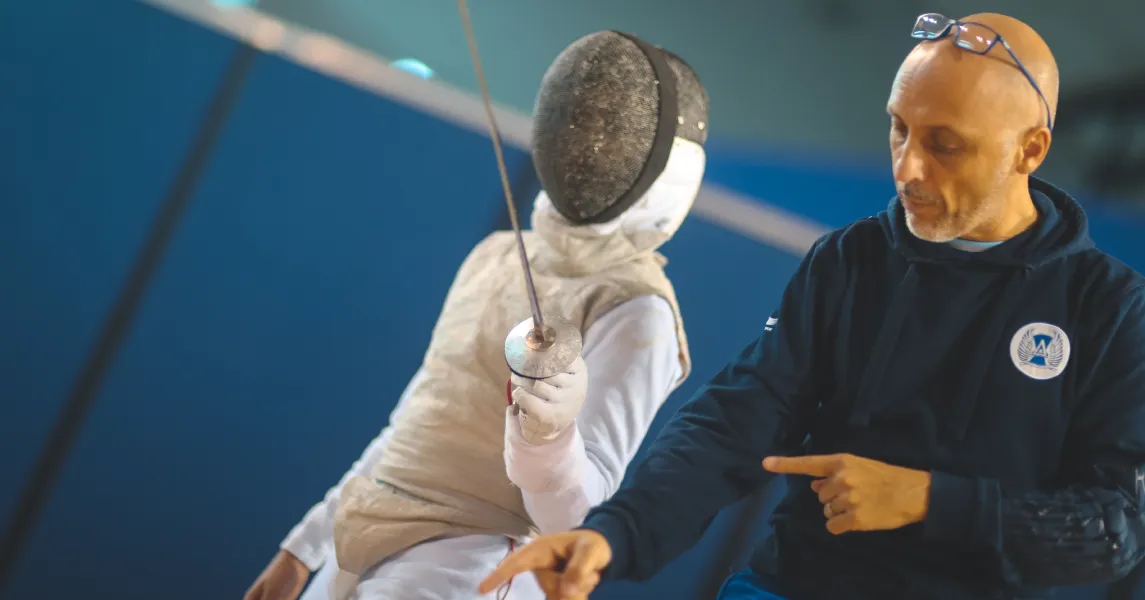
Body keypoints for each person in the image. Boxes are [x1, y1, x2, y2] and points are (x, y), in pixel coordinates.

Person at [479, 12, 1145, 600]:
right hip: (793, 584)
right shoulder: (850, 261)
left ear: (1030, 149)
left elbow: (1115, 530)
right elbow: (736, 421)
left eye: (944, 144)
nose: (907, 168)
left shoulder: (1109, 309)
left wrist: (927, 499)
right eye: (898, 129)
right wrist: (613, 534)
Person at [243, 31, 710, 600]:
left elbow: (575, 523)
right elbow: (415, 423)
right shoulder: (497, 254)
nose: (589, 139)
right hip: (365, 535)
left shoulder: (639, 310)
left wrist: (548, 437)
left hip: (474, 561)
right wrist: (304, 547)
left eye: (613, 128)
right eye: (585, 119)